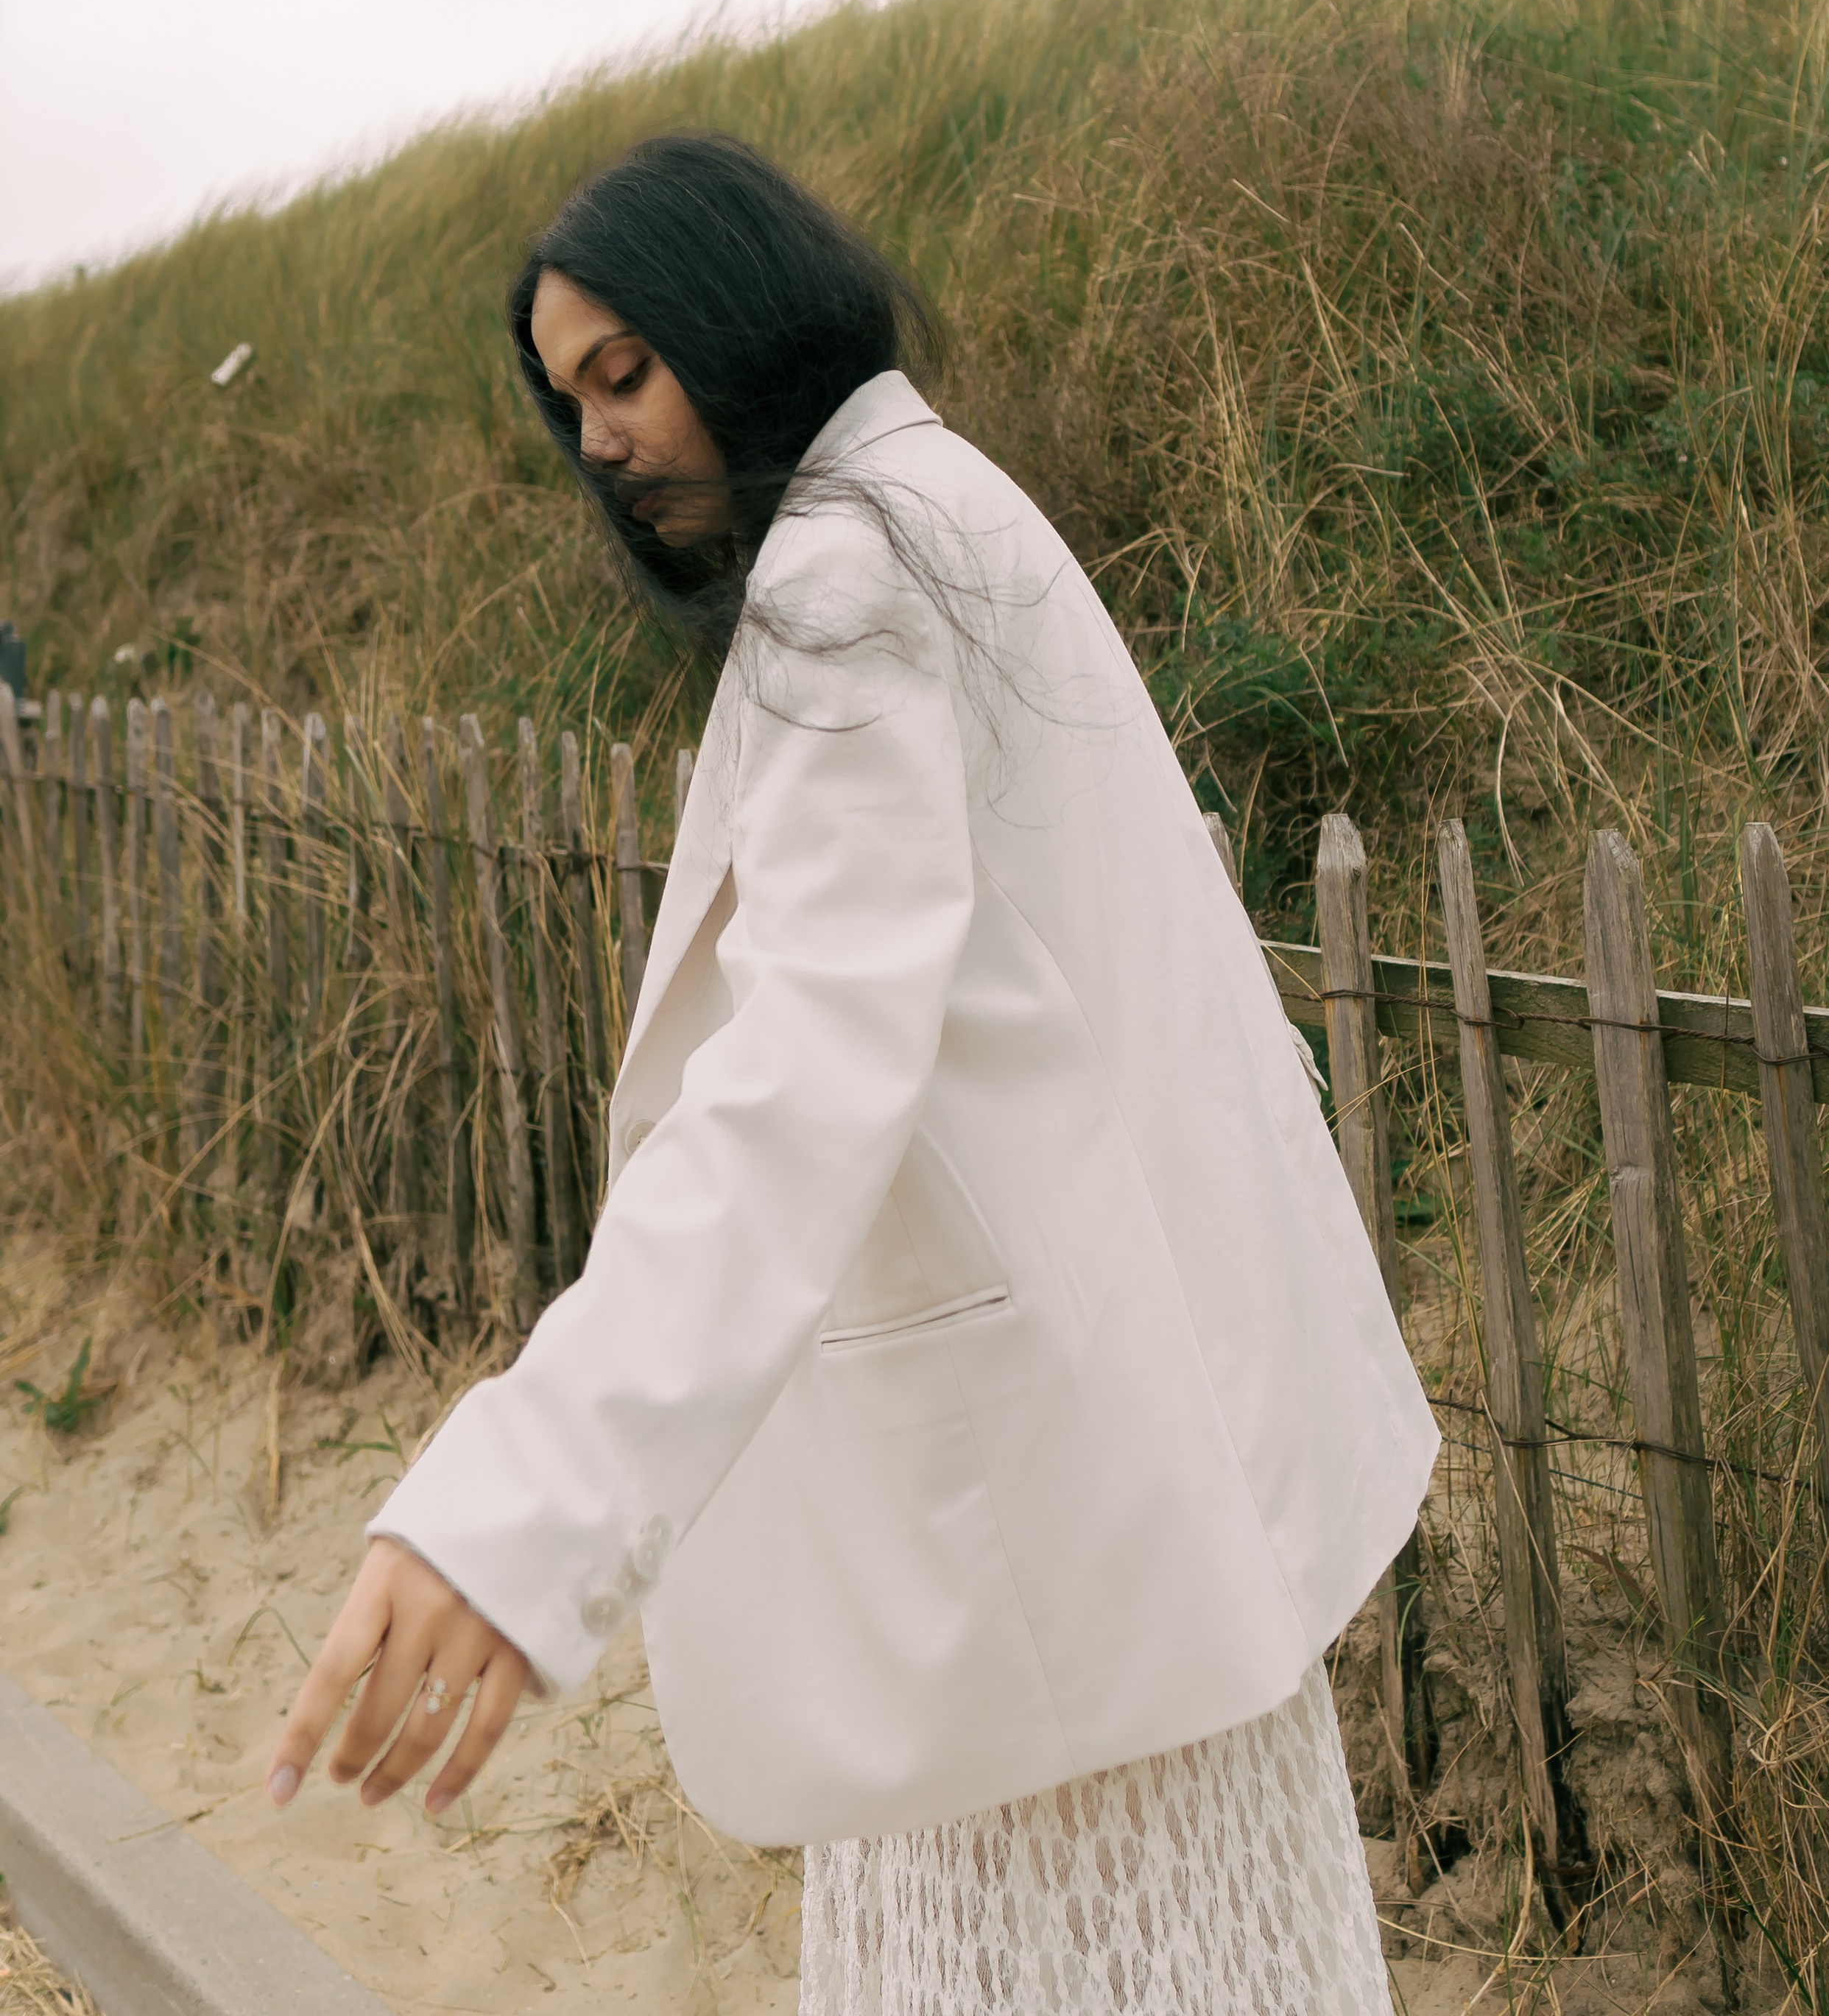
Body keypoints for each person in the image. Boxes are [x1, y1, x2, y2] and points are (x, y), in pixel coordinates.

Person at [269, 133, 1437, 2014]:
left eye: (624, 373)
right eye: (568, 403)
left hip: (1034, 1541)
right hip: (1117, 1490)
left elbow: (802, 1072)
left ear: (735, 315)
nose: (598, 445)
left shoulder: (843, 574)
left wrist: (525, 1504)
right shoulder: (931, 499)